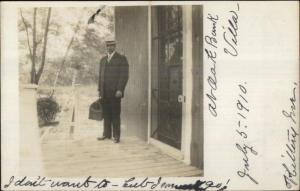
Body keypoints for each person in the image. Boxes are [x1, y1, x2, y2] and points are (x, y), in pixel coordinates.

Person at [97, 39, 129, 143]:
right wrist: (99, 90)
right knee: (106, 114)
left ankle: (116, 136)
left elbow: (124, 76)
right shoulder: (103, 60)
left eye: (111, 46)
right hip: (104, 93)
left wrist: (120, 89)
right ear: (106, 47)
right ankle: (106, 134)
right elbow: (100, 77)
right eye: (108, 46)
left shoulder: (121, 59)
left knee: (115, 114)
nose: (109, 48)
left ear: (114, 46)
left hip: (115, 92)